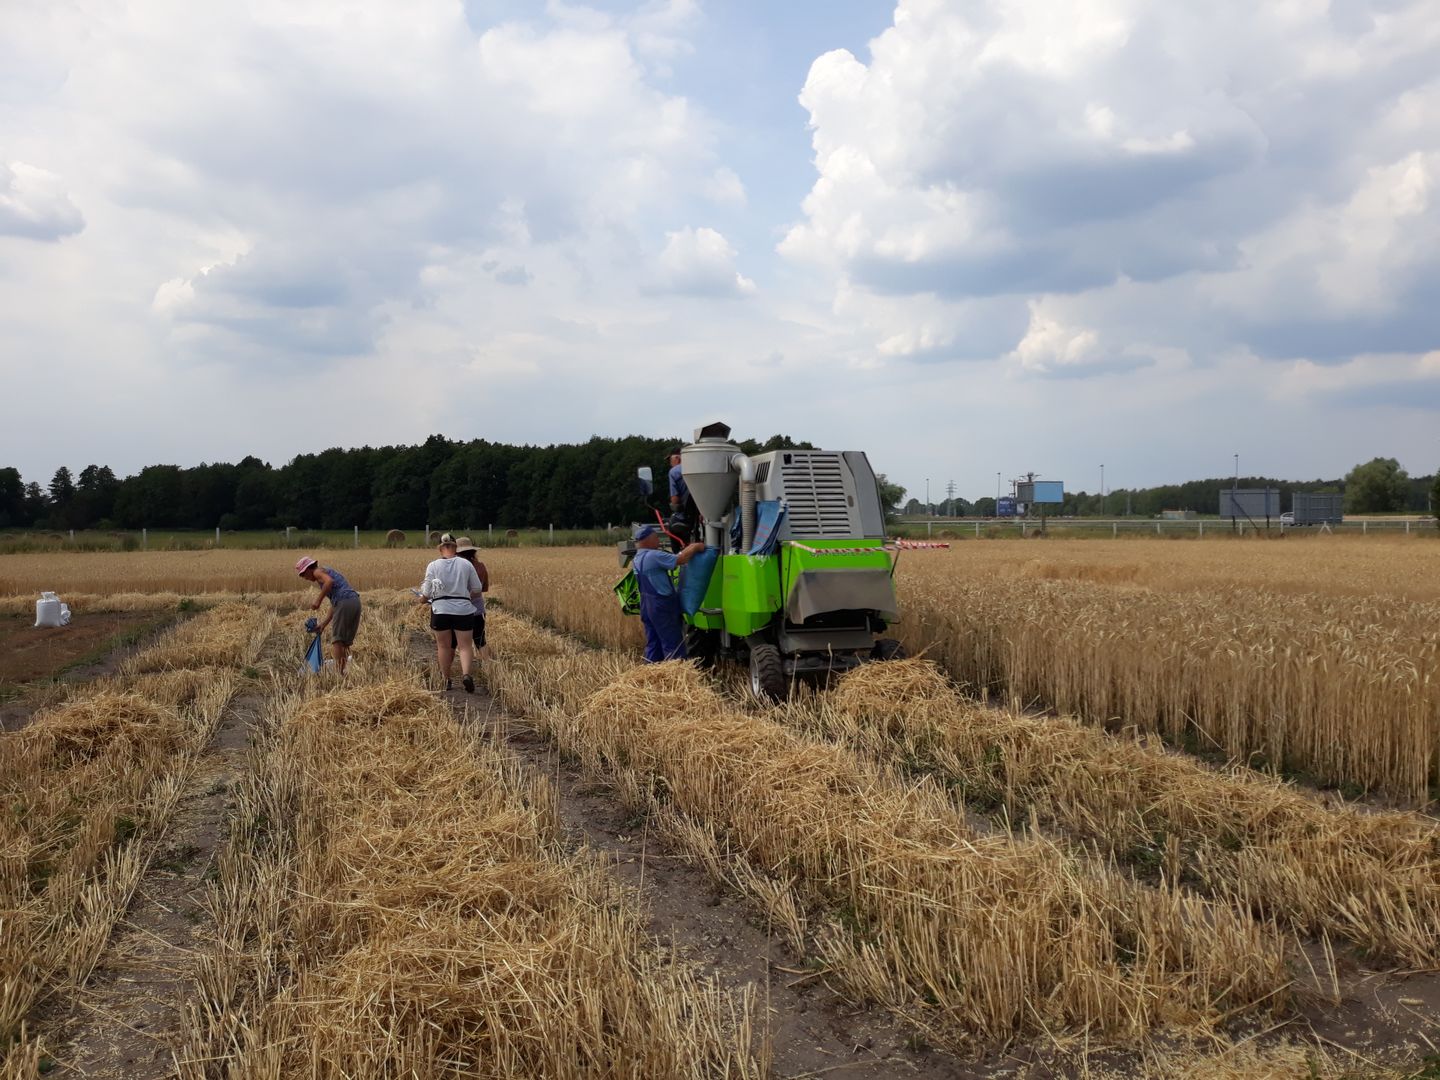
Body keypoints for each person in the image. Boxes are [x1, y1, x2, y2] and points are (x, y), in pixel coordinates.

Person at [631, 523, 705, 662]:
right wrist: (695, 547)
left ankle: (650, 674)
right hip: (661, 606)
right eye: (656, 538)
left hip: (647, 606)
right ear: (648, 540)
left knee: (653, 644)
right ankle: (676, 677)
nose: (659, 541)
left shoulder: (637, 559)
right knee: (673, 644)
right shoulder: (653, 556)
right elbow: (681, 559)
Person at [419, 533, 482, 692]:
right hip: (463, 609)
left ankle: (446, 679)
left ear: (440, 548)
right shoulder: (466, 564)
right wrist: (466, 595)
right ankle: (466, 675)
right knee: (465, 646)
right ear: (455, 547)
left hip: (441, 610)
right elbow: (477, 589)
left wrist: (422, 599)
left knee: (444, 646)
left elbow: (426, 592)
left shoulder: (433, 565)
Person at [295, 556, 362, 677]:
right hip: (354, 602)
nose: (305, 578)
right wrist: (323, 624)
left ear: (309, 569)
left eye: (303, 575)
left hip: (344, 603)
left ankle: (338, 673)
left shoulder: (318, 572)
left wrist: (318, 601)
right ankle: (341, 673)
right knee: (345, 642)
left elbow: (329, 582)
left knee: (337, 640)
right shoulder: (327, 571)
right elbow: (334, 603)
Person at [454, 537, 490, 660]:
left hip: (459, 610)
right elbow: (484, 588)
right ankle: (487, 664)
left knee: (457, 641)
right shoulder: (480, 566)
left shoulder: (455, 568)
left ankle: (462, 667)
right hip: (477, 609)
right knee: (480, 639)